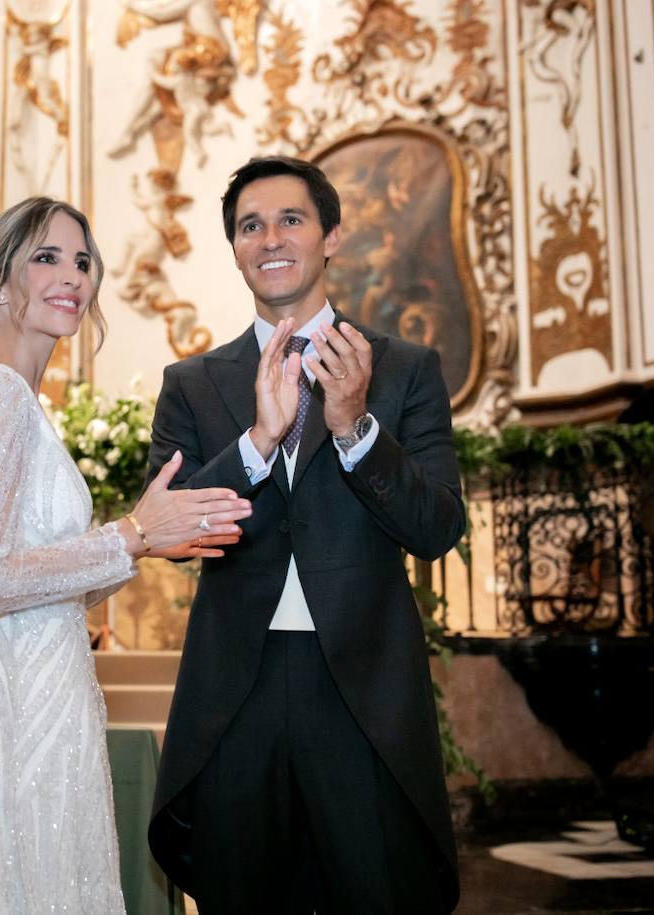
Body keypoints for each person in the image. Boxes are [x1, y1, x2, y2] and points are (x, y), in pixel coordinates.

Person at [0, 196, 253, 913]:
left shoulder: (21, 403)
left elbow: (34, 581)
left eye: (83, 260)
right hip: (13, 716)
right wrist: (130, 532)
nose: (73, 275)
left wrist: (146, 547)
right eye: (47, 256)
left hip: (38, 696)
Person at [144, 155, 465, 913]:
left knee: (372, 890)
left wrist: (355, 429)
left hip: (360, 686)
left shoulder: (405, 369)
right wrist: (257, 439)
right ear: (235, 249)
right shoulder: (191, 382)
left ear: (331, 238)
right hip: (235, 689)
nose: (271, 237)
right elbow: (163, 529)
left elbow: (437, 527)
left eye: (291, 218)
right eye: (250, 225)